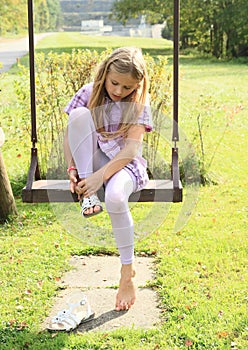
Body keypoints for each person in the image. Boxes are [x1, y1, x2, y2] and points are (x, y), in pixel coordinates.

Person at [63, 47, 152, 312]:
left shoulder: (138, 103)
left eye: (127, 86)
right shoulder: (88, 92)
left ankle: (127, 272)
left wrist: (100, 177)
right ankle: (87, 194)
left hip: (124, 165)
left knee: (114, 197)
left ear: (137, 85)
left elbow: (130, 150)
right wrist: (74, 171)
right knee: (79, 115)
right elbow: (73, 135)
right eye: (114, 83)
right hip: (91, 163)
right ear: (105, 74)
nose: (119, 90)